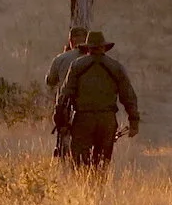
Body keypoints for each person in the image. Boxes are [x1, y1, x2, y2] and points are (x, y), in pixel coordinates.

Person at [54, 30, 139, 168]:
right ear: (104, 47)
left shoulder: (77, 65)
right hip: (107, 120)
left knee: (80, 163)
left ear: (87, 48)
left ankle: (83, 181)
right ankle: (98, 181)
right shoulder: (115, 67)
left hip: (83, 119)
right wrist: (134, 121)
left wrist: (60, 121)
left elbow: (65, 95)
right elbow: (128, 96)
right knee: (102, 162)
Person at [46, 26, 89, 158]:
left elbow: (50, 81)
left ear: (71, 40)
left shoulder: (61, 58)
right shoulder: (94, 58)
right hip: (88, 107)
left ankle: (65, 162)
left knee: (64, 141)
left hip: (65, 107)